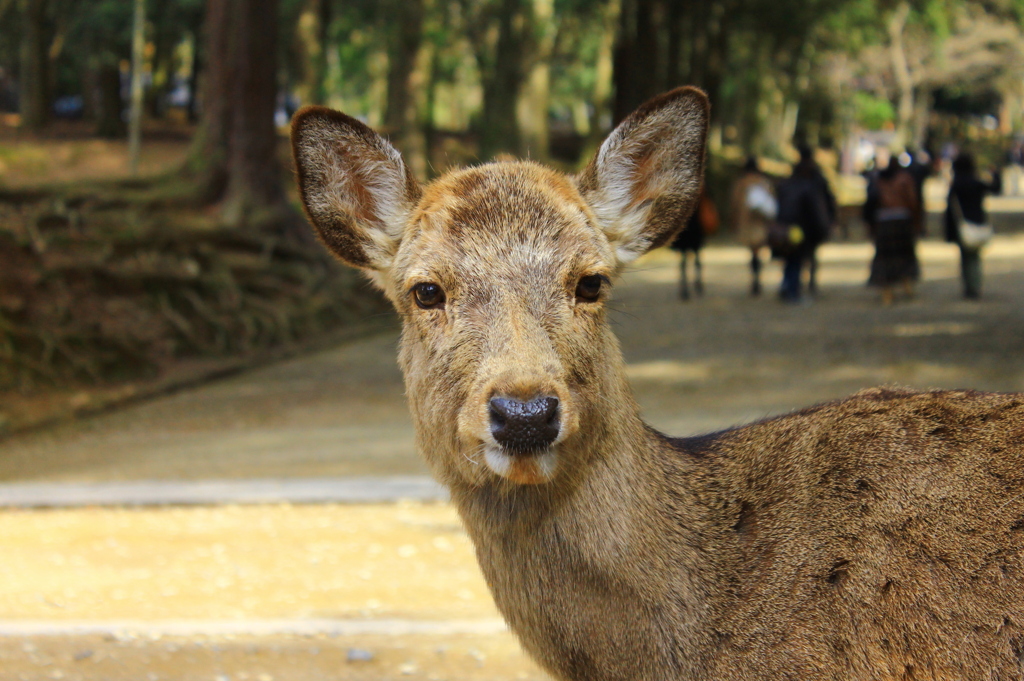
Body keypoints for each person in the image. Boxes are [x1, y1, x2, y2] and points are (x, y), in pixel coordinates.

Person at [772, 149, 833, 303]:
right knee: (796, 259)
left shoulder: (786, 185)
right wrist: (823, 227)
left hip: (787, 227)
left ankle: (788, 286)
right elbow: (817, 209)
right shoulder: (810, 186)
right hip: (801, 229)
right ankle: (792, 289)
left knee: (791, 258)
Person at [863, 156, 924, 305]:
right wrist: (917, 222)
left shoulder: (879, 180)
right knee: (903, 255)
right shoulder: (904, 179)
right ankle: (906, 286)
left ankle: (888, 293)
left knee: (885, 258)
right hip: (901, 221)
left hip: (883, 222)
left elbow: (870, 203)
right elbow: (912, 201)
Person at [944, 152, 1001, 299]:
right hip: (977, 222)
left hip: (962, 226)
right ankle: (975, 286)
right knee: (974, 258)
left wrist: (949, 232)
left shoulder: (956, 185)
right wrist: (995, 172)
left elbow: (950, 209)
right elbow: (995, 188)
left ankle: (970, 287)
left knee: (965, 257)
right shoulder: (975, 182)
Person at [730, 156, 776, 296]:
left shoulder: (741, 183)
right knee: (758, 249)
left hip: (746, 223)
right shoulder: (764, 182)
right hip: (760, 222)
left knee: (753, 250)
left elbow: (735, 204)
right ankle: (757, 275)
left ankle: (754, 275)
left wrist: (734, 221)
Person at [670, 188, 718, 300]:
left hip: (685, 225)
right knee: (696, 253)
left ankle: (684, 283)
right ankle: (697, 279)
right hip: (696, 224)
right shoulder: (701, 186)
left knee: (683, 257)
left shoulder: (681, 186)